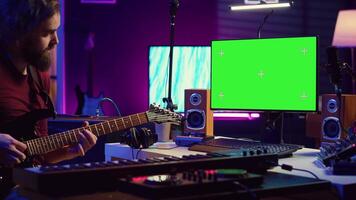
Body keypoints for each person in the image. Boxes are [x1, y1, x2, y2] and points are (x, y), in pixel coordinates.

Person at [0, 0, 97, 196]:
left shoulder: (39, 77)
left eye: (57, 31)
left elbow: (37, 155)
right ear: (20, 33)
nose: (56, 41)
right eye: (47, 33)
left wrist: (69, 152)